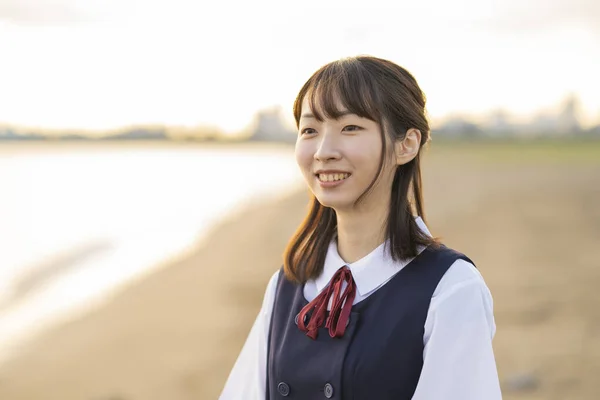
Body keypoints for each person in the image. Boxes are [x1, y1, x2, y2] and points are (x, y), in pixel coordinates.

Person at [220, 55, 502, 399]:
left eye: (349, 127)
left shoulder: (451, 288)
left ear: (406, 144)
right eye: (310, 130)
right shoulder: (288, 283)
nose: (323, 151)